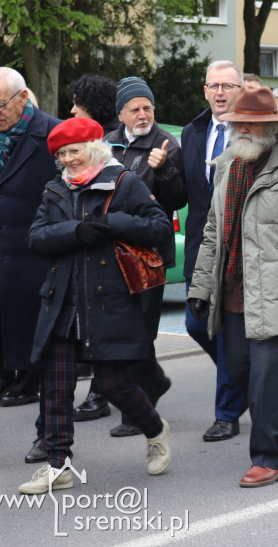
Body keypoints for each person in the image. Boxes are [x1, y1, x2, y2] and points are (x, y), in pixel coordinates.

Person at [188, 86, 278, 488]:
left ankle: (267, 457)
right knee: (242, 373)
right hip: (232, 290)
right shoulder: (229, 165)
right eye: (238, 123)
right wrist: (201, 287)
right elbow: (213, 231)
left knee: (266, 377)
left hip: (277, 291)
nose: (243, 130)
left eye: (253, 124)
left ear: (272, 127)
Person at [23, 117, 171, 494]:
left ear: (94, 148)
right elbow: (36, 238)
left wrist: (113, 222)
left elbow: (158, 228)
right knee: (56, 387)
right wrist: (74, 231)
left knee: (112, 385)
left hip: (107, 302)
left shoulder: (124, 183)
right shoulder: (56, 189)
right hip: (62, 302)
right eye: (62, 154)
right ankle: (58, 466)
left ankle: (155, 429)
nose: (69, 160)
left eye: (75, 151)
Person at [83, 77, 185, 438]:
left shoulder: (165, 145)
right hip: (110, 252)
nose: (143, 115)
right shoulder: (106, 144)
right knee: (123, 328)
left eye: (148, 108)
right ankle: (153, 381)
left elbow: (177, 198)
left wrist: (165, 170)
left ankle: (138, 408)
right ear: (120, 114)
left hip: (147, 254)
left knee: (141, 331)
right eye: (135, 109)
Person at [0, 68, 61, 471]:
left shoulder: (55, 135)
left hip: (38, 262)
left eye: (0, 104)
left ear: (23, 97)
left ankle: (50, 435)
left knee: (45, 359)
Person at [179, 61, 247, 442]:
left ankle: (227, 413)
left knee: (226, 333)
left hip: (237, 250)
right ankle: (243, 378)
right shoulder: (193, 131)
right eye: (213, 86)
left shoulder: (253, 131)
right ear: (205, 90)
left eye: (227, 85)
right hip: (199, 249)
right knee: (195, 324)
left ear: (240, 89)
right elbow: (186, 192)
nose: (220, 92)